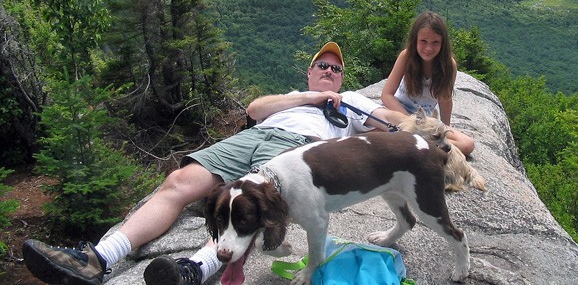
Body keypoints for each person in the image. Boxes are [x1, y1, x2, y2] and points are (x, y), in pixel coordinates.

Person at [23, 42, 410, 285]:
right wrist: (308, 98)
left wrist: (424, 130)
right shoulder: (294, 95)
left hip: (297, 154)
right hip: (251, 138)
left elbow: (398, 126)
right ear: (309, 73)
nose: (329, 71)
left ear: (343, 79)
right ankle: (97, 258)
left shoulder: (354, 107)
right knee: (178, 181)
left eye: (336, 69)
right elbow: (255, 109)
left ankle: (195, 269)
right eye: (321, 66)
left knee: (244, 205)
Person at [381, 11, 475, 156]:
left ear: (443, 43)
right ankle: (426, 146)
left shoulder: (449, 65)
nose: (428, 48)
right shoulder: (406, 57)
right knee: (376, 132)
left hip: (427, 121)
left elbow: (445, 101)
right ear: (415, 40)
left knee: (467, 144)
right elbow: (387, 95)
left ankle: (422, 144)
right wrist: (409, 121)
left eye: (435, 42)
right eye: (423, 41)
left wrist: (444, 130)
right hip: (400, 112)